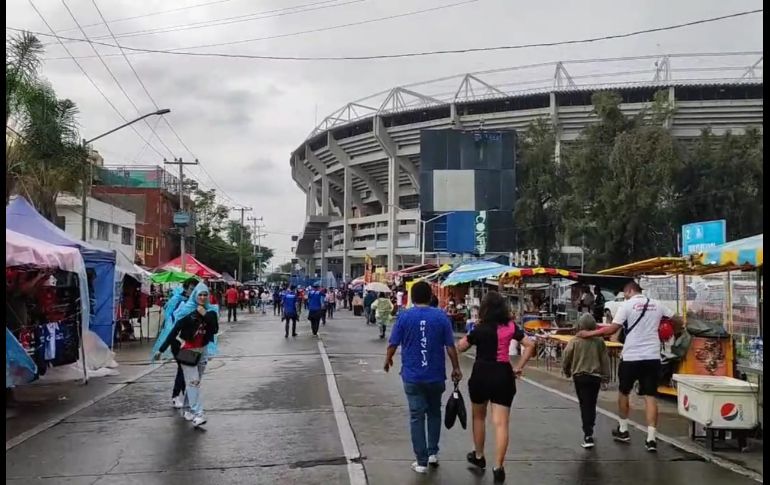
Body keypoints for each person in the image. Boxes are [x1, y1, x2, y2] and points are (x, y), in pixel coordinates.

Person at [576, 281, 674, 452]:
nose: (625, 296)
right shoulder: (657, 304)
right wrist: (669, 331)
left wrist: (589, 333)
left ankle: (623, 429)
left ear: (629, 291)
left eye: (625, 293)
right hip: (652, 357)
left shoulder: (627, 305)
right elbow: (676, 319)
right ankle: (651, 439)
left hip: (631, 356)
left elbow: (612, 329)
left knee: (624, 392)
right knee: (650, 396)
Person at [456, 291, 535, 483]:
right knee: (501, 423)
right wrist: (518, 367)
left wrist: (472, 332)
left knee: (478, 417)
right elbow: (530, 344)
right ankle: (498, 466)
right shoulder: (510, 327)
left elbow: (461, 346)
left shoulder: (479, 328)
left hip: (481, 374)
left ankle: (479, 455)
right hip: (503, 374)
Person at [384, 281, 462, 475]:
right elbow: (450, 346)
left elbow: (393, 343)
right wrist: (456, 368)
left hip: (412, 377)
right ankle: (433, 453)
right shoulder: (441, 317)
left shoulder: (404, 317)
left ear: (412, 297)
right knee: (434, 412)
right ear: (430, 297)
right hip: (435, 376)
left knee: (416, 416)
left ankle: (421, 461)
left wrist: (388, 360)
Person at [155, 282, 219, 427]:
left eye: (205, 295)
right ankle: (199, 414)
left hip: (202, 351)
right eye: (200, 295)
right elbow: (174, 331)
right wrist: (161, 349)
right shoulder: (187, 311)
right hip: (188, 351)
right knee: (193, 383)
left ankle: (187, 409)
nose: (202, 297)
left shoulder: (211, 312)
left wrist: (205, 314)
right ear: (195, 296)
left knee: (195, 384)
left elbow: (214, 330)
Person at [562, 313, 611, 449]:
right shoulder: (599, 341)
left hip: (579, 376)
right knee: (592, 403)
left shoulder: (575, 341)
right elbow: (605, 360)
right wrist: (606, 377)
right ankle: (590, 426)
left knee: (584, 404)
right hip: (595, 377)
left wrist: (566, 371)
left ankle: (587, 433)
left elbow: (566, 356)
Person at [152, 277, 199, 409]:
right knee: (183, 368)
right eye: (191, 289)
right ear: (185, 288)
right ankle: (177, 396)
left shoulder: (196, 303)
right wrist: (161, 349)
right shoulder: (179, 302)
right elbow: (172, 325)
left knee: (187, 369)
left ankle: (185, 397)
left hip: (190, 342)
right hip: (177, 341)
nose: (193, 291)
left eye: (196, 289)